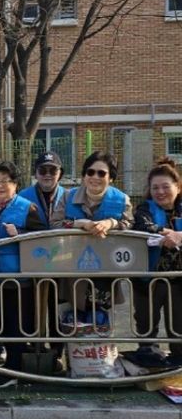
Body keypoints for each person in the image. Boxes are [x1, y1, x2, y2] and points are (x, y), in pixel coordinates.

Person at [0, 161, 45, 387]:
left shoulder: (27, 208)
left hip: (17, 278)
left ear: (15, 184)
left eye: (5, 181)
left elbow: (43, 237)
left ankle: (15, 370)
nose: (0, 186)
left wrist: (21, 233)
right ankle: (10, 366)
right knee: (1, 323)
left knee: (16, 325)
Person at [51, 151, 133, 308]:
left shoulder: (122, 200)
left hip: (106, 272)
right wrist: (79, 224)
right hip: (71, 271)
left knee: (101, 320)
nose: (95, 177)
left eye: (101, 173)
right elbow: (54, 223)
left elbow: (131, 223)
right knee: (71, 318)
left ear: (111, 178)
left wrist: (111, 223)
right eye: (90, 172)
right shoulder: (68, 197)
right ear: (84, 175)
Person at [18, 151, 66, 371]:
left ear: (60, 173)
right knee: (30, 309)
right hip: (31, 262)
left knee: (58, 309)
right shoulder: (24, 197)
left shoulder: (69, 196)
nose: (47, 174)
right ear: (35, 173)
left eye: (52, 170)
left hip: (63, 262)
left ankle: (58, 353)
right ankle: (32, 349)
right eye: (42, 170)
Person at [132, 158, 182, 366]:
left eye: (165, 186)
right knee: (146, 323)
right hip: (149, 280)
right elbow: (143, 228)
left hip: (178, 280)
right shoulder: (145, 208)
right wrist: (168, 233)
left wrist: (180, 236)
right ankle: (149, 359)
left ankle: (178, 361)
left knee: (178, 326)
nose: (160, 192)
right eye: (155, 188)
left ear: (177, 187)